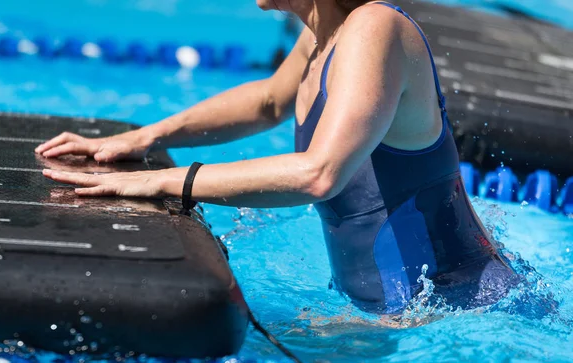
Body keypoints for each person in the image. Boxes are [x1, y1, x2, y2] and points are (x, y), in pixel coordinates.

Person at [36, 0, 520, 313]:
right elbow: (268, 100)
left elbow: (319, 174)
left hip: (456, 311)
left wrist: (162, 180)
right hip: (393, 311)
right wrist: (146, 137)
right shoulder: (324, 34)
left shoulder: (376, 28)